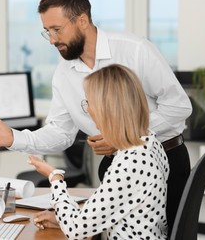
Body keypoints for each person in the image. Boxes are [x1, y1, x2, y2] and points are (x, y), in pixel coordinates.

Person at [0, 0, 192, 233]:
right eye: (47, 32)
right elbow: (60, 133)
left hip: (164, 161)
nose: (52, 40)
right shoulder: (64, 74)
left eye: (57, 30)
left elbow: (179, 106)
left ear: (83, 21)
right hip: (114, 166)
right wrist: (14, 137)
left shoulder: (135, 50)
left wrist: (123, 138)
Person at [29, 64, 169, 239]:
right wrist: (63, 219)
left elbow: (76, 231)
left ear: (107, 110)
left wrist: (55, 178)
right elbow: (111, 210)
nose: (87, 110)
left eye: (88, 102)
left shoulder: (131, 163)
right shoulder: (149, 142)